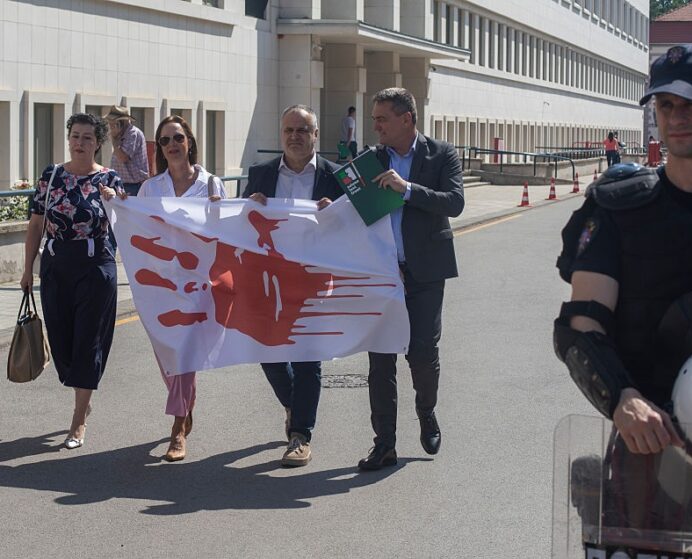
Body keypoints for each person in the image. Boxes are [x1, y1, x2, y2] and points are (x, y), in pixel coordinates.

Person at [554, 44, 692, 536]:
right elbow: (581, 326)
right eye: (665, 104)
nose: (676, 117)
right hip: (654, 441)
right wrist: (622, 399)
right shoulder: (619, 210)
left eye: (691, 103)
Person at [354, 87, 464, 470]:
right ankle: (384, 443)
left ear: (407, 119)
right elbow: (351, 208)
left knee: (422, 352)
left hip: (426, 272)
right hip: (383, 274)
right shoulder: (370, 159)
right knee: (380, 360)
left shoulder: (442, 154)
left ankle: (426, 411)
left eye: (382, 119)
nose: (376, 127)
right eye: (374, 120)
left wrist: (408, 190)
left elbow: (455, 202)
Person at [242, 104, 342, 467]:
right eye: (289, 130)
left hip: (314, 279)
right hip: (269, 279)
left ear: (315, 135)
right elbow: (242, 227)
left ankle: (300, 435)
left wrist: (338, 213)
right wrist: (248, 208)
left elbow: (357, 226)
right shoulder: (261, 174)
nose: (295, 136)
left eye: (302, 130)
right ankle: (293, 404)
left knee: (307, 360)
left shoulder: (336, 177)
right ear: (281, 134)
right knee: (268, 352)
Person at [20, 113, 123, 449]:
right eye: (75, 136)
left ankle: (78, 419)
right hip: (56, 267)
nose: (80, 143)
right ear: (68, 139)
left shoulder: (109, 179)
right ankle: (82, 393)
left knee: (88, 341)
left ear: (98, 143)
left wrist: (115, 201)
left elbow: (127, 224)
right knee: (62, 342)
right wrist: (27, 269)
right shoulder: (51, 176)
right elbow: (36, 225)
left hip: (95, 267)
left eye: (87, 137)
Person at [136, 115, 226, 462]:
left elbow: (226, 231)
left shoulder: (211, 183)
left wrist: (218, 211)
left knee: (185, 353)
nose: (172, 145)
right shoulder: (150, 188)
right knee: (168, 357)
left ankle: (177, 429)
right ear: (159, 148)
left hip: (197, 285)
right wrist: (117, 202)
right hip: (159, 284)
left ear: (189, 141)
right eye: (164, 141)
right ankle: (185, 407)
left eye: (177, 138)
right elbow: (137, 227)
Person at [103, 105, 148, 196]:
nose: (110, 126)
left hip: (133, 185)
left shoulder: (132, 134)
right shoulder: (121, 134)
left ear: (121, 122)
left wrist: (114, 140)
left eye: (113, 123)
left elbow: (122, 158)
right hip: (120, 183)